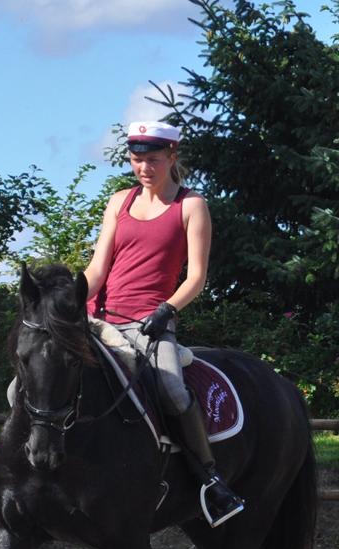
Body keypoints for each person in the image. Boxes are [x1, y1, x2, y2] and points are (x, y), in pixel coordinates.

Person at [83, 120, 245, 527]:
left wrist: (166, 310)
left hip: (150, 324)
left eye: (153, 160)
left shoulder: (191, 206)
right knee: (28, 384)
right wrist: (68, 297)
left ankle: (211, 480)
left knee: (173, 390)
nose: (144, 168)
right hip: (99, 320)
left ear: (172, 156)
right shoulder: (118, 201)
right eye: (136, 160)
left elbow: (196, 278)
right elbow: (98, 269)